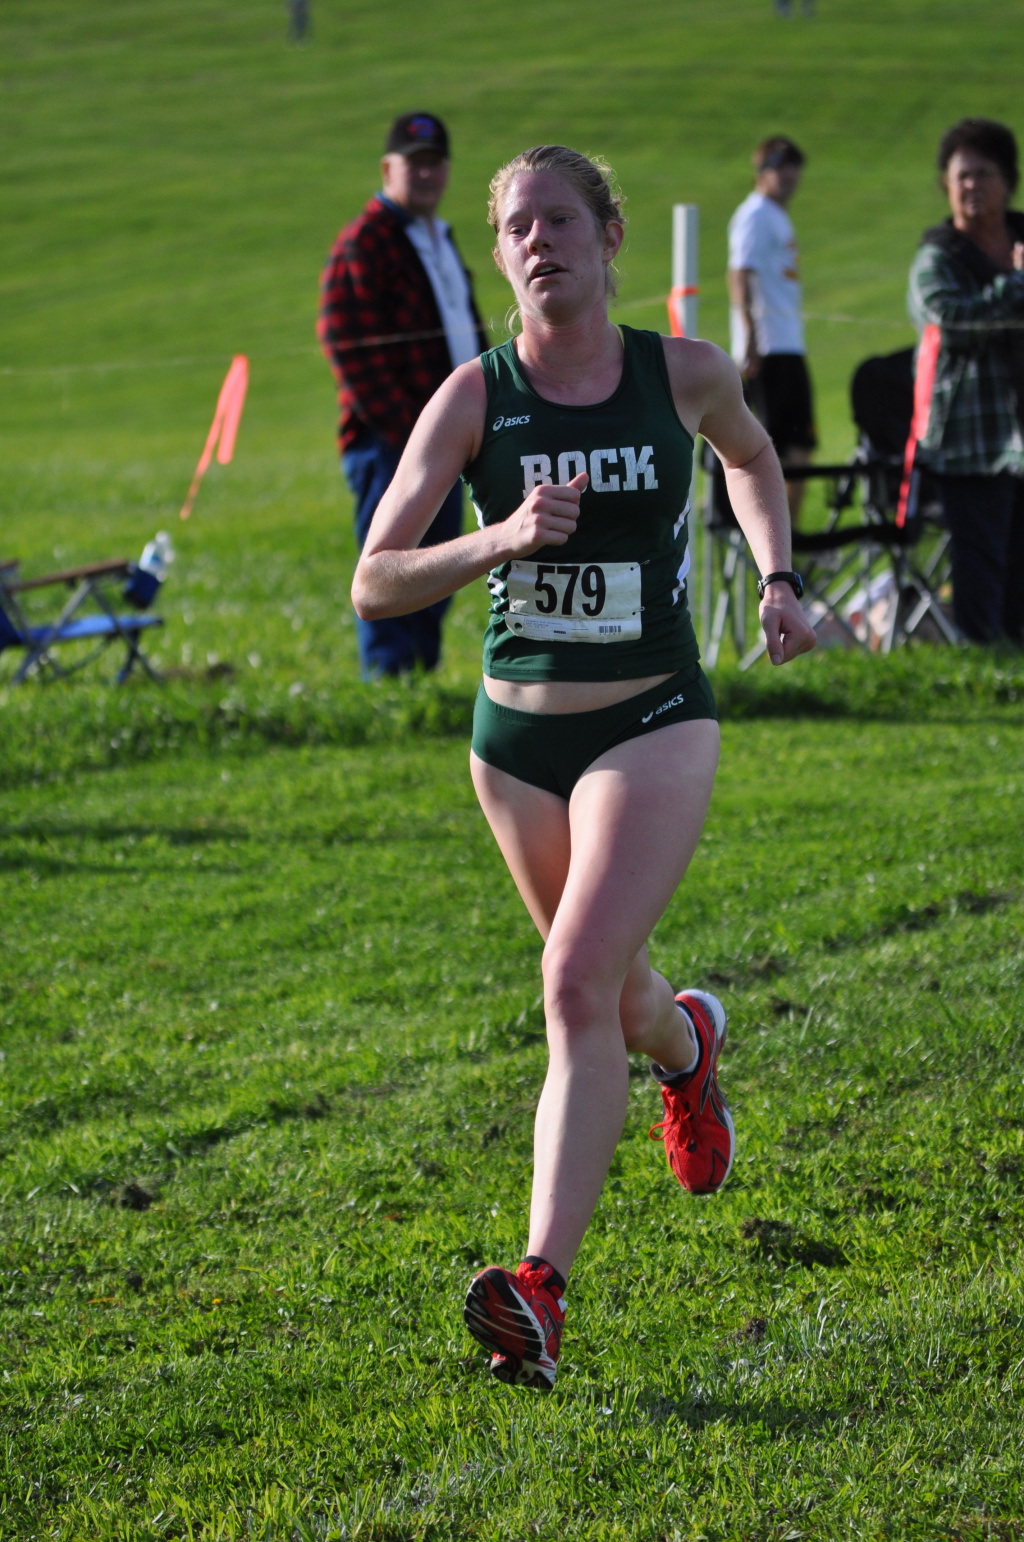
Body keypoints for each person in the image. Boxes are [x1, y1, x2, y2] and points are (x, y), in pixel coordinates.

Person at [351, 145, 815, 1390]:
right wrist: (495, 539)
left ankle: (539, 1289)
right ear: (499, 254)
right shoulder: (472, 397)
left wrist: (775, 575)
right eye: (516, 226)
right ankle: (687, 1051)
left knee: (569, 981)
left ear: (609, 236)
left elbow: (754, 460)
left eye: (562, 218)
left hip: (652, 717)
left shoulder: (683, 374)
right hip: (514, 747)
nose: (539, 239)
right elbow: (373, 575)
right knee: (611, 997)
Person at [318, 112, 487, 676]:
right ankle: (391, 685)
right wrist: (407, 431)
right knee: (392, 569)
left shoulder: (436, 237)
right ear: (387, 169)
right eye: (414, 164)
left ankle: (418, 678)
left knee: (436, 564)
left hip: (443, 437)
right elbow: (345, 341)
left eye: (435, 162)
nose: (426, 174)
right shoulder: (366, 241)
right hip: (392, 443)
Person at [907, 117, 1024, 646]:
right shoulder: (938, 256)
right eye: (961, 176)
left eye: (983, 174)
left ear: (1008, 180)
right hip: (971, 438)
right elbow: (951, 321)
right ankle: (984, 663)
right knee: (981, 557)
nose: (971, 186)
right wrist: (1017, 284)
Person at [727, 136, 816, 523]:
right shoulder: (756, 214)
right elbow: (738, 272)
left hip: (788, 344)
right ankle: (778, 539)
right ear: (761, 171)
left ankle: (789, 535)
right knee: (779, 448)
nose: (789, 175)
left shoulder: (776, 215)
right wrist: (749, 336)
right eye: (779, 166)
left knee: (800, 445)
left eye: (793, 166)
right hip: (770, 347)